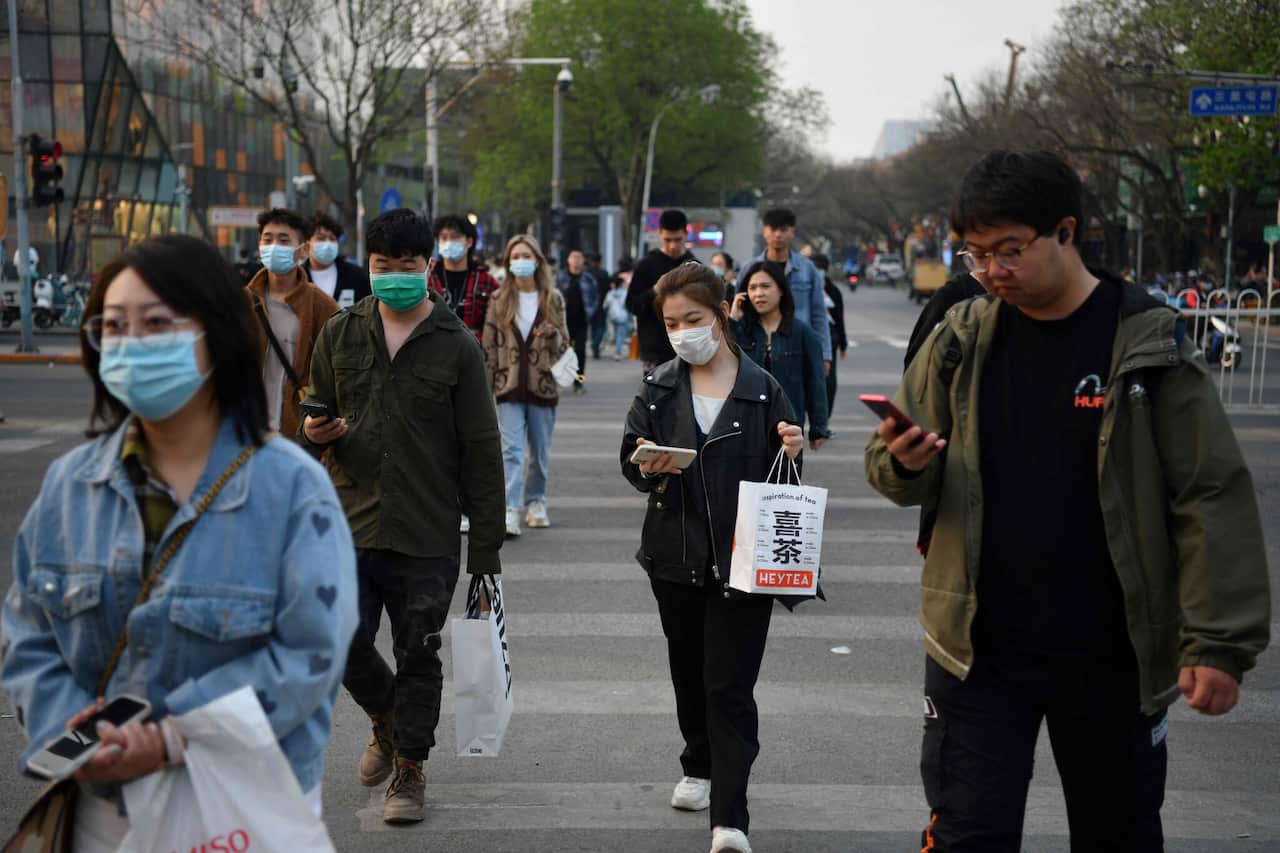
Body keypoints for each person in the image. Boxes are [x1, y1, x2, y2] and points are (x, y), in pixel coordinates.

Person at [864, 150, 1271, 852]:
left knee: (1119, 833)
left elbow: (1209, 493)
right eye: (976, 252)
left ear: (1066, 231)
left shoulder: (1146, 342)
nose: (991, 269)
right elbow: (890, 463)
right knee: (968, 833)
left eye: (1010, 250)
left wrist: (1218, 641)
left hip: (1111, 655)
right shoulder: (962, 334)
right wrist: (903, 465)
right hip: (978, 650)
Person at [0, 235, 357, 849]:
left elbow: (310, 654)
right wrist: (80, 742)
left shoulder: (291, 488)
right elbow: (28, 636)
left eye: (156, 324)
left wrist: (170, 734)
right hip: (98, 813)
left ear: (214, 335)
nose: (131, 343)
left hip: (240, 814)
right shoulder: (70, 485)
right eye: (113, 326)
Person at [300, 208, 505, 824]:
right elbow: (315, 409)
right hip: (351, 523)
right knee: (340, 640)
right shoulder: (340, 333)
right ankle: (387, 719)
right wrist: (316, 429)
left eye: (406, 267)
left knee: (419, 650)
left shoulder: (456, 345)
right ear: (369, 266)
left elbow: (482, 449)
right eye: (382, 267)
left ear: (428, 267)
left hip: (427, 531)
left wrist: (486, 550)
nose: (393, 277)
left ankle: (410, 770)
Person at [621, 261, 804, 853]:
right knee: (689, 672)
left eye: (693, 319)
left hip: (744, 562)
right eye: (671, 323)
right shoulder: (659, 385)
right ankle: (697, 763)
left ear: (722, 312)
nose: (682, 332)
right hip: (674, 557)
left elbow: (785, 483)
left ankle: (730, 817)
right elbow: (631, 460)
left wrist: (795, 450)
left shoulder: (762, 389)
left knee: (729, 685)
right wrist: (643, 462)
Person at [482, 235, 571, 537]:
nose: (521, 261)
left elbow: (565, 344)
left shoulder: (553, 298)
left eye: (526, 255)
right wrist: (486, 384)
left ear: (537, 260)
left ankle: (536, 501)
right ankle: (510, 508)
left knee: (540, 451)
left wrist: (552, 337)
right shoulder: (498, 299)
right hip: (507, 385)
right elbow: (489, 346)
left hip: (543, 384)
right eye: (515, 256)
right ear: (508, 263)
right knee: (511, 451)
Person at [249, 208, 340, 439]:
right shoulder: (243, 300)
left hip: (297, 432)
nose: (274, 247)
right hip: (249, 429)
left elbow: (338, 367)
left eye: (284, 240)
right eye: (267, 239)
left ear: (303, 250)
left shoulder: (320, 305)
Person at [730, 261, 830, 449]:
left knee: (784, 477)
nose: (758, 293)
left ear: (781, 290)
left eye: (765, 286)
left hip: (788, 429)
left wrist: (819, 427)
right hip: (745, 426)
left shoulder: (802, 332)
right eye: (752, 288)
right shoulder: (741, 331)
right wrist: (733, 320)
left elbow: (815, 383)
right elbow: (721, 360)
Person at [737, 208, 832, 373]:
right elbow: (739, 309)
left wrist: (824, 354)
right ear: (764, 231)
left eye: (783, 230)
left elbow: (819, 314)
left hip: (799, 346)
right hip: (758, 346)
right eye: (773, 229)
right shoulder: (749, 268)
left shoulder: (807, 269)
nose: (778, 235)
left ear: (792, 232)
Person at [628, 209, 698, 371]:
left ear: (686, 235)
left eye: (677, 240)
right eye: (668, 240)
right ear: (659, 234)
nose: (673, 246)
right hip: (654, 349)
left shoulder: (694, 266)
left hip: (688, 347)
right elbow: (632, 305)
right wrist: (654, 290)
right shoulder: (646, 265)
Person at [427, 214, 500, 342]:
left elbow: (497, 322)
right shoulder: (427, 278)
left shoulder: (486, 281)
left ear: (469, 241)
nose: (449, 242)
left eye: (455, 237)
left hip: (473, 352)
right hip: (434, 351)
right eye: (443, 238)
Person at [303, 212, 371, 308]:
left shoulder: (355, 276)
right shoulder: (297, 277)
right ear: (306, 245)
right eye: (321, 238)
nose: (327, 244)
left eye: (332, 238)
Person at [554, 249, 598, 393]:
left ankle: (579, 382)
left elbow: (595, 297)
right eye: (573, 257)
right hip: (563, 322)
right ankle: (561, 379)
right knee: (563, 352)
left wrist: (590, 312)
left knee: (580, 351)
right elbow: (553, 297)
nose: (576, 260)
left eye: (579, 257)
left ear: (583, 260)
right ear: (568, 260)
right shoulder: (561, 277)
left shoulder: (588, 278)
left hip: (581, 321)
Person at [811, 253, 848, 417]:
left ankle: (824, 420)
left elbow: (839, 318)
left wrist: (843, 343)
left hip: (829, 342)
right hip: (808, 341)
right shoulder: (805, 289)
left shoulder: (833, 291)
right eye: (814, 268)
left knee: (829, 383)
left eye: (819, 268)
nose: (817, 271)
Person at [587, 252, 611, 359]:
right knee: (601, 326)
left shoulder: (587, 273)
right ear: (600, 261)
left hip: (590, 303)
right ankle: (596, 343)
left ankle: (594, 343)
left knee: (593, 326)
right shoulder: (604, 273)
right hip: (602, 303)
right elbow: (608, 288)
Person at [603, 275, 632, 360]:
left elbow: (605, 305)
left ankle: (615, 350)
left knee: (616, 335)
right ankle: (617, 353)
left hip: (612, 317)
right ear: (621, 284)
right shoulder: (625, 293)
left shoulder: (610, 293)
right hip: (623, 317)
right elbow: (628, 305)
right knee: (620, 335)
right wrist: (630, 317)